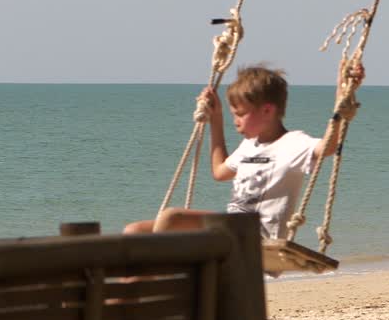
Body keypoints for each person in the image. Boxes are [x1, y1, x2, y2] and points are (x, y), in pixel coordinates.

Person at [124, 61, 364, 240]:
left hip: (257, 236)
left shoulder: (293, 143)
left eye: (239, 114)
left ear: (267, 111)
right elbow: (220, 172)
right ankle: (128, 301)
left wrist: (342, 99)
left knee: (170, 218)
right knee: (133, 231)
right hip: (233, 228)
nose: (236, 121)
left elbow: (328, 147)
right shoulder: (249, 145)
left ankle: (174, 282)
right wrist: (215, 120)